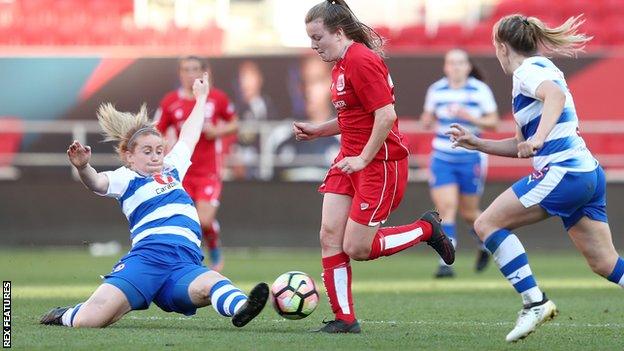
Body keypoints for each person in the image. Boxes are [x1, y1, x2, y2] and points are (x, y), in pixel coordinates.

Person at [40, 73, 268, 329]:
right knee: (90, 321)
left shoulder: (172, 168)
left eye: (159, 150)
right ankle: (66, 314)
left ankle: (242, 308)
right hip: (147, 260)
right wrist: (83, 167)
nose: (156, 156)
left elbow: (189, 135)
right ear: (129, 156)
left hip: (185, 262)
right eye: (147, 151)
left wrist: (201, 98)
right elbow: (96, 183)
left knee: (213, 282)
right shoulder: (125, 178)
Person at [448, 14, 623, 342]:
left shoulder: (528, 71)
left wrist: (540, 137)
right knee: (604, 262)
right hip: (587, 173)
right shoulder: (540, 69)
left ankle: (535, 302)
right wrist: (477, 142)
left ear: (502, 47)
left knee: (487, 225)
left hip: (564, 172)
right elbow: (520, 146)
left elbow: (554, 98)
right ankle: (535, 302)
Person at [297, 0, 455, 333]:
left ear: (338, 33)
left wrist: (364, 158)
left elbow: (386, 116)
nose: (313, 46)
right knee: (329, 235)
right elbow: (354, 117)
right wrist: (318, 130)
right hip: (350, 161)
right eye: (310, 39)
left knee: (357, 248)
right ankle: (344, 319)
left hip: (379, 164)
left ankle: (427, 229)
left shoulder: (360, 61)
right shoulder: (341, 63)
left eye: (317, 37)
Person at [155, 56, 239, 272]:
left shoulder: (217, 98)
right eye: (185, 69)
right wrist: (161, 151)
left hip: (208, 171)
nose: (190, 74)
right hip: (182, 171)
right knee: (184, 219)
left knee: (203, 219)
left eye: (194, 69)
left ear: (204, 73)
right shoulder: (170, 101)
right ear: (180, 73)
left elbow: (234, 123)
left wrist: (217, 131)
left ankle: (213, 242)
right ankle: (188, 261)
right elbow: (158, 131)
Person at [421, 49, 499, 278]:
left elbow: (493, 123)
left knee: (469, 212)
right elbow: (427, 119)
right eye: (451, 63)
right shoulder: (436, 90)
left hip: (470, 156)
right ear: (446, 67)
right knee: (446, 209)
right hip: (442, 156)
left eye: (460, 62)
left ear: (468, 66)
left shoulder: (479, 90)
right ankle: (446, 262)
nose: (455, 67)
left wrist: (471, 117)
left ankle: (485, 243)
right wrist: (427, 119)